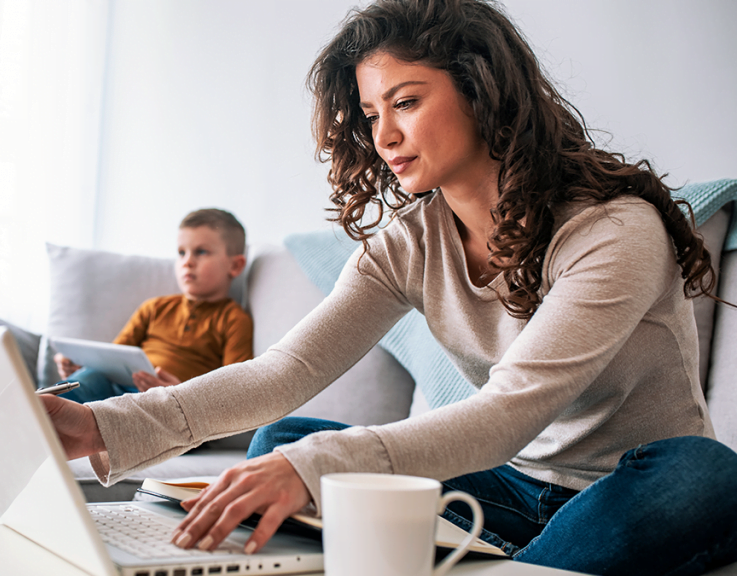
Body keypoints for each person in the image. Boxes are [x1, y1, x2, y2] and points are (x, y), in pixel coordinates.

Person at [40, 1, 737, 574]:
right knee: (287, 436)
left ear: (482, 89)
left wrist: (314, 466)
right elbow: (287, 372)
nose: (386, 135)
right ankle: (521, 560)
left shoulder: (614, 230)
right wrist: (103, 424)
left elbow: (509, 412)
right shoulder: (410, 241)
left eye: (405, 101)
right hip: (506, 487)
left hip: (632, 484)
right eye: (372, 114)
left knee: (702, 474)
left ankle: (509, 561)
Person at [54, 208, 253, 403]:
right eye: (181, 253)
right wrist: (79, 366)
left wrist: (180, 394)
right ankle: (50, 407)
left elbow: (234, 389)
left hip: (168, 404)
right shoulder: (155, 307)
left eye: (201, 252)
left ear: (235, 266)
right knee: (90, 377)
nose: (187, 262)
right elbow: (112, 357)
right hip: (116, 387)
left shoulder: (234, 319)